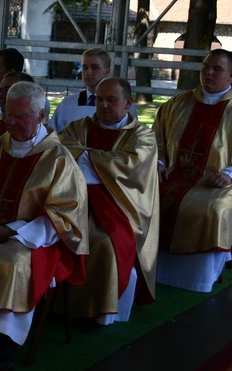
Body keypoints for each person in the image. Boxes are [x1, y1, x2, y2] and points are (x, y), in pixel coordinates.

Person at [0, 81, 88, 369]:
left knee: (11, 264)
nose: (11, 122)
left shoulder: (58, 160)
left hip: (32, 240)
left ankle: (3, 354)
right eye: (8, 114)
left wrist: (10, 231)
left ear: (42, 116)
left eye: (21, 116)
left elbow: (64, 216)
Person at [154, 49, 232, 292]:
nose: (208, 73)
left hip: (218, 180)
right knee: (144, 197)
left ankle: (199, 279)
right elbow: (155, 139)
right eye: (205, 67)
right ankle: (150, 266)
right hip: (173, 175)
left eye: (217, 69)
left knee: (216, 208)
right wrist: (158, 164)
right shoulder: (177, 104)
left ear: (231, 74)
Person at [59, 77, 158, 324]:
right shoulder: (78, 127)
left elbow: (130, 170)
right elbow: (61, 150)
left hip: (121, 207)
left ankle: (99, 310)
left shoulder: (143, 136)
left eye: (111, 100)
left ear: (128, 103)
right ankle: (53, 305)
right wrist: (104, 161)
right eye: (100, 99)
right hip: (74, 201)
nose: (103, 105)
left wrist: (85, 156)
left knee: (102, 242)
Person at [49, 48, 138, 132]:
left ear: (107, 71)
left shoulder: (123, 104)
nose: (88, 72)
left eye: (94, 67)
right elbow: (53, 135)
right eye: (85, 67)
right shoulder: (67, 104)